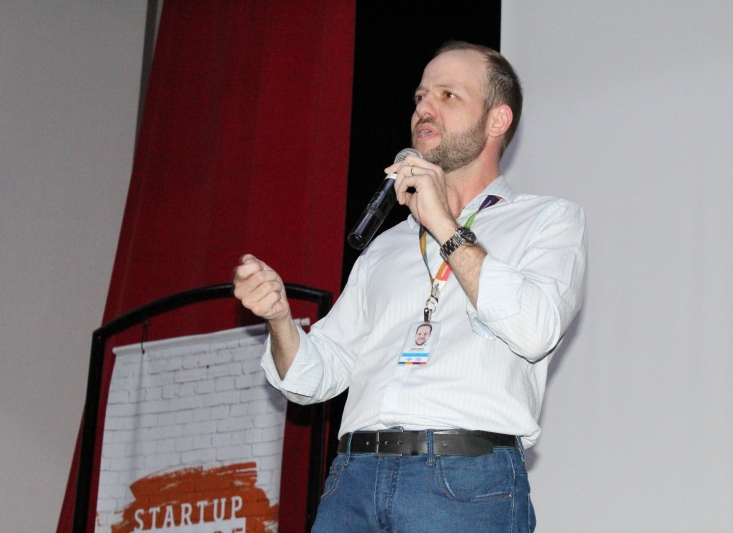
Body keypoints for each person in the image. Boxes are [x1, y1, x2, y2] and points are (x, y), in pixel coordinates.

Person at [234, 41, 587, 533]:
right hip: (353, 481)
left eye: (447, 95)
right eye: (421, 96)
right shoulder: (388, 246)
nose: (424, 107)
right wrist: (278, 320)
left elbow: (535, 329)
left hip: (464, 484)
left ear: (497, 120)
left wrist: (444, 224)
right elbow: (314, 377)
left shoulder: (547, 221)